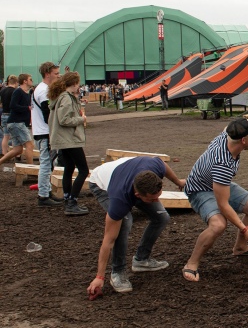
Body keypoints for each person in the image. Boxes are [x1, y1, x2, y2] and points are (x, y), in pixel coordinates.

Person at [182, 112, 248, 282]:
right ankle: (191, 263)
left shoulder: (228, 135)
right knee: (218, 225)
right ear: (244, 141)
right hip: (200, 189)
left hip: (216, 183)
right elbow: (223, 204)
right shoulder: (223, 164)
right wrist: (244, 229)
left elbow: (232, 126)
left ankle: (240, 247)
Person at [86, 156, 186, 295]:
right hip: (101, 183)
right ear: (138, 195)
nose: (156, 200)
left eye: (158, 196)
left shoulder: (154, 167)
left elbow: (163, 164)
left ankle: (141, 259)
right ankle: (118, 273)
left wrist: (178, 182)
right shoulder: (119, 199)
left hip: (126, 173)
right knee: (124, 222)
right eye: (152, 199)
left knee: (162, 217)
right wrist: (99, 277)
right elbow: (108, 240)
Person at [49, 71, 90, 215]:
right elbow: (64, 120)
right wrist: (81, 119)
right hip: (69, 140)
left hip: (63, 140)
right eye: (78, 83)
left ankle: (68, 199)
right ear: (74, 84)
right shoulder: (66, 98)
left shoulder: (61, 97)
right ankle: (72, 201)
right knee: (83, 170)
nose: (79, 86)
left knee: (69, 168)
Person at [31, 62, 63, 207]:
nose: (58, 76)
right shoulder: (43, 91)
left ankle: (47, 191)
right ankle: (43, 196)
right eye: (56, 73)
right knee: (45, 163)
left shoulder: (41, 89)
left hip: (42, 131)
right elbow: (47, 115)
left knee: (49, 163)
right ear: (47, 73)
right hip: (44, 132)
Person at [0, 73, 35, 165]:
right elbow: (13, 105)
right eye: (30, 79)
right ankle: (31, 170)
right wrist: (27, 108)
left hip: (18, 123)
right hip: (17, 123)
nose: (32, 81)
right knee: (30, 145)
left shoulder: (27, 93)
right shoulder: (18, 91)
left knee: (18, 150)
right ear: (25, 81)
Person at [1, 75, 19, 156]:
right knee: (15, 136)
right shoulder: (15, 91)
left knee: (6, 136)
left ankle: (4, 154)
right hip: (12, 115)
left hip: (4, 114)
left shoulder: (3, 90)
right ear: (16, 82)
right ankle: (16, 154)